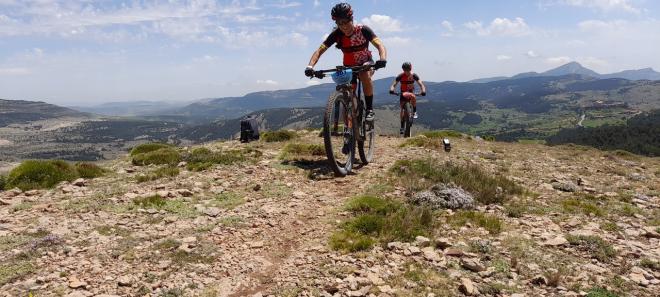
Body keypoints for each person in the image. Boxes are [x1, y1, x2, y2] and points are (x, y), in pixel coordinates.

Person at [304, 2, 387, 122]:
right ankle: (349, 130)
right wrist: (310, 66)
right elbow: (319, 51)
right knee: (347, 93)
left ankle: (369, 109)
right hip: (349, 67)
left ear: (351, 19)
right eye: (339, 23)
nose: (343, 26)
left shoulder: (363, 30)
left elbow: (380, 45)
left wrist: (382, 58)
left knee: (364, 74)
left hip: (366, 63)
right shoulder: (336, 35)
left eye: (345, 21)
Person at [389, 62, 426, 134]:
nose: (406, 72)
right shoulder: (400, 76)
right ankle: (402, 126)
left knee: (413, 97)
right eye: (405, 70)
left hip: (411, 92)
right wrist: (392, 90)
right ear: (403, 69)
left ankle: (414, 111)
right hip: (403, 93)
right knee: (402, 110)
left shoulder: (414, 75)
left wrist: (423, 91)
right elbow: (393, 84)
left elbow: (421, 84)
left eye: (408, 70)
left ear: (410, 69)